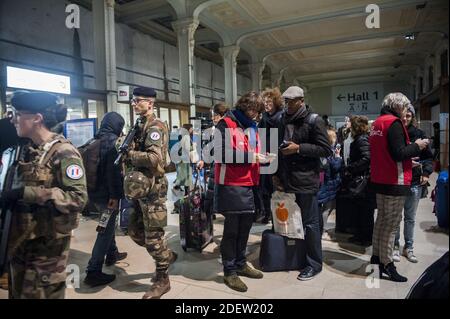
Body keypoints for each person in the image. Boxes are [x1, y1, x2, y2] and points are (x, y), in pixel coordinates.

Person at [2, 91, 88, 298]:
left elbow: (78, 198)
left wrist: (27, 193)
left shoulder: (64, 152)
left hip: (46, 250)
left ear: (37, 118)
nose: (13, 119)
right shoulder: (26, 150)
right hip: (21, 242)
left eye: (18, 113)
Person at [123, 86, 177, 299]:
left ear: (150, 103)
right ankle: (166, 255)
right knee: (134, 231)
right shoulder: (138, 124)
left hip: (153, 190)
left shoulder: (156, 126)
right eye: (133, 101)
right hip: (139, 189)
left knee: (153, 237)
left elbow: (155, 159)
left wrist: (130, 154)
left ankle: (163, 279)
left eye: (139, 101)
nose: (134, 104)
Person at [369, 92, 429, 282]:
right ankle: (387, 264)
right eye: (404, 107)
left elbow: (386, 152)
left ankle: (376, 259)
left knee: (381, 221)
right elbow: (398, 153)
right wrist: (418, 146)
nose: (405, 112)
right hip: (394, 180)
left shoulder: (377, 123)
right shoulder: (393, 123)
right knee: (391, 224)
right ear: (397, 106)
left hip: (380, 179)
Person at [276, 86, 332, 281]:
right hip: (288, 179)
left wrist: (299, 148)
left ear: (301, 100)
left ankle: (314, 264)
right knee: (291, 222)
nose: (288, 105)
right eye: (286, 101)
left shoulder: (314, 120)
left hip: (307, 181)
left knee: (310, 224)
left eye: (292, 101)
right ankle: (299, 258)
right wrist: (277, 175)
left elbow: (326, 149)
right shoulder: (283, 119)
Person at [214, 92, 266, 293]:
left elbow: (251, 151)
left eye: (258, 112)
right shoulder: (225, 124)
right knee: (232, 230)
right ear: (245, 106)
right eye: (254, 110)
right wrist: (253, 157)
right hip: (231, 183)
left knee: (245, 227)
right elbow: (220, 153)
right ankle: (229, 271)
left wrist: (261, 157)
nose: (255, 115)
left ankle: (241, 263)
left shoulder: (251, 126)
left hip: (250, 183)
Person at [84, 112, 128, 287]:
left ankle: (112, 253)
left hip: (94, 194)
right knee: (105, 231)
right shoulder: (112, 144)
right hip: (108, 197)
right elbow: (113, 173)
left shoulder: (93, 141)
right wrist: (115, 196)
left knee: (107, 226)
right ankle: (93, 270)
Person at [393, 104, 433, 263]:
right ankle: (395, 246)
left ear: (412, 117)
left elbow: (428, 157)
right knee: (396, 217)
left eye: (408, 116)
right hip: (397, 181)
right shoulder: (395, 133)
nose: (405, 118)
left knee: (410, 217)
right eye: (403, 115)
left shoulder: (419, 134)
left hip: (415, 181)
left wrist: (426, 172)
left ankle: (408, 247)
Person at [343, 115, 373, 246]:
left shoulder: (361, 140)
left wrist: (351, 167)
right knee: (362, 210)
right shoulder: (363, 138)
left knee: (364, 210)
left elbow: (367, 158)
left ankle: (365, 237)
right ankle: (361, 235)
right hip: (363, 179)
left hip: (363, 180)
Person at [257, 87, 284, 224]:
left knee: (276, 188)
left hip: (277, 157)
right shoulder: (264, 117)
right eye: (265, 102)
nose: (266, 104)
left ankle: (276, 216)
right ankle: (267, 213)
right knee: (264, 188)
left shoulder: (281, 117)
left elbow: (282, 138)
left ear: (276, 102)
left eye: (269, 102)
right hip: (264, 157)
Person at [317, 128, 343, 236]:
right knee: (327, 208)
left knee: (324, 207)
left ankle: (320, 229)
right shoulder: (330, 151)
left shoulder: (321, 149)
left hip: (323, 182)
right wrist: (338, 158)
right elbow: (335, 167)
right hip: (329, 183)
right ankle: (321, 230)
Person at [173, 123, 195, 195]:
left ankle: (181, 189)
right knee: (187, 177)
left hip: (180, 159)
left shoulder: (180, 135)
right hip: (185, 159)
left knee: (182, 175)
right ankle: (187, 193)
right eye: (191, 128)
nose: (192, 129)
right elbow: (188, 149)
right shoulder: (186, 137)